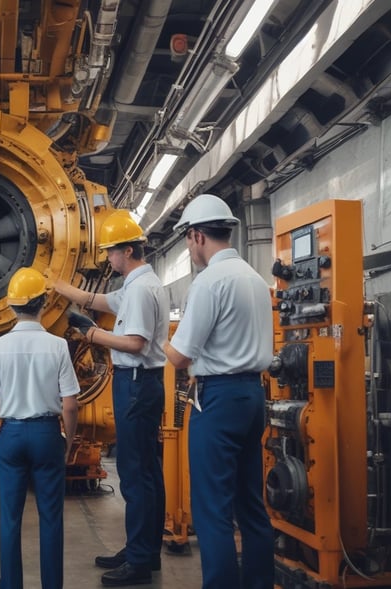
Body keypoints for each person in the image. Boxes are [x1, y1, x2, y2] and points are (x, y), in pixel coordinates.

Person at [162, 194, 274, 589]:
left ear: (195, 236)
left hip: (220, 399)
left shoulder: (210, 282)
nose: (190, 250)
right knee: (251, 505)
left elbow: (179, 357)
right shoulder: (255, 280)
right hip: (252, 397)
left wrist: (155, 338)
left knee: (212, 510)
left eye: (187, 242)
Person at [54, 209, 169, 587]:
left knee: (136, 476)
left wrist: (91, 336)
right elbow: (97, 299)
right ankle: (144, 550)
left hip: (135, 383)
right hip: (144, 384)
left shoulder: (139, 289)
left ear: (129, 250)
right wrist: (58, 287)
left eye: (111, 252)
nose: (108, 259)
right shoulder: (142, 283)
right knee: (148, 472)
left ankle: (137, 561)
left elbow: (135, 344)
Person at [0, 267, 79, 589]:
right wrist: (68, 440)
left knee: (10, 519)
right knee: (51, 518)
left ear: (11, 305)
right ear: (44, 302)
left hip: (12, 434)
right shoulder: (58, 346)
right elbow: (71, 404)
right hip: (47, 433)